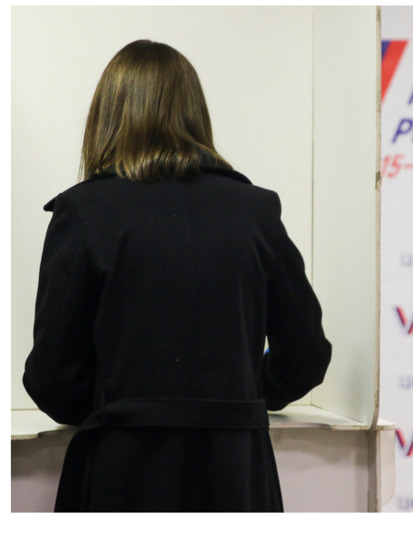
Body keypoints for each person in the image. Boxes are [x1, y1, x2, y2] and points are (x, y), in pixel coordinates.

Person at [22, 39, 332, 512]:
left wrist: (120, 403)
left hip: (122, 474)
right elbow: (306, 357)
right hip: (237, 477)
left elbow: (53, 379)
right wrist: (242, 396)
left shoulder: (84, 213)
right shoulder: (256, 212)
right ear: (195, 113)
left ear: (107, 116)